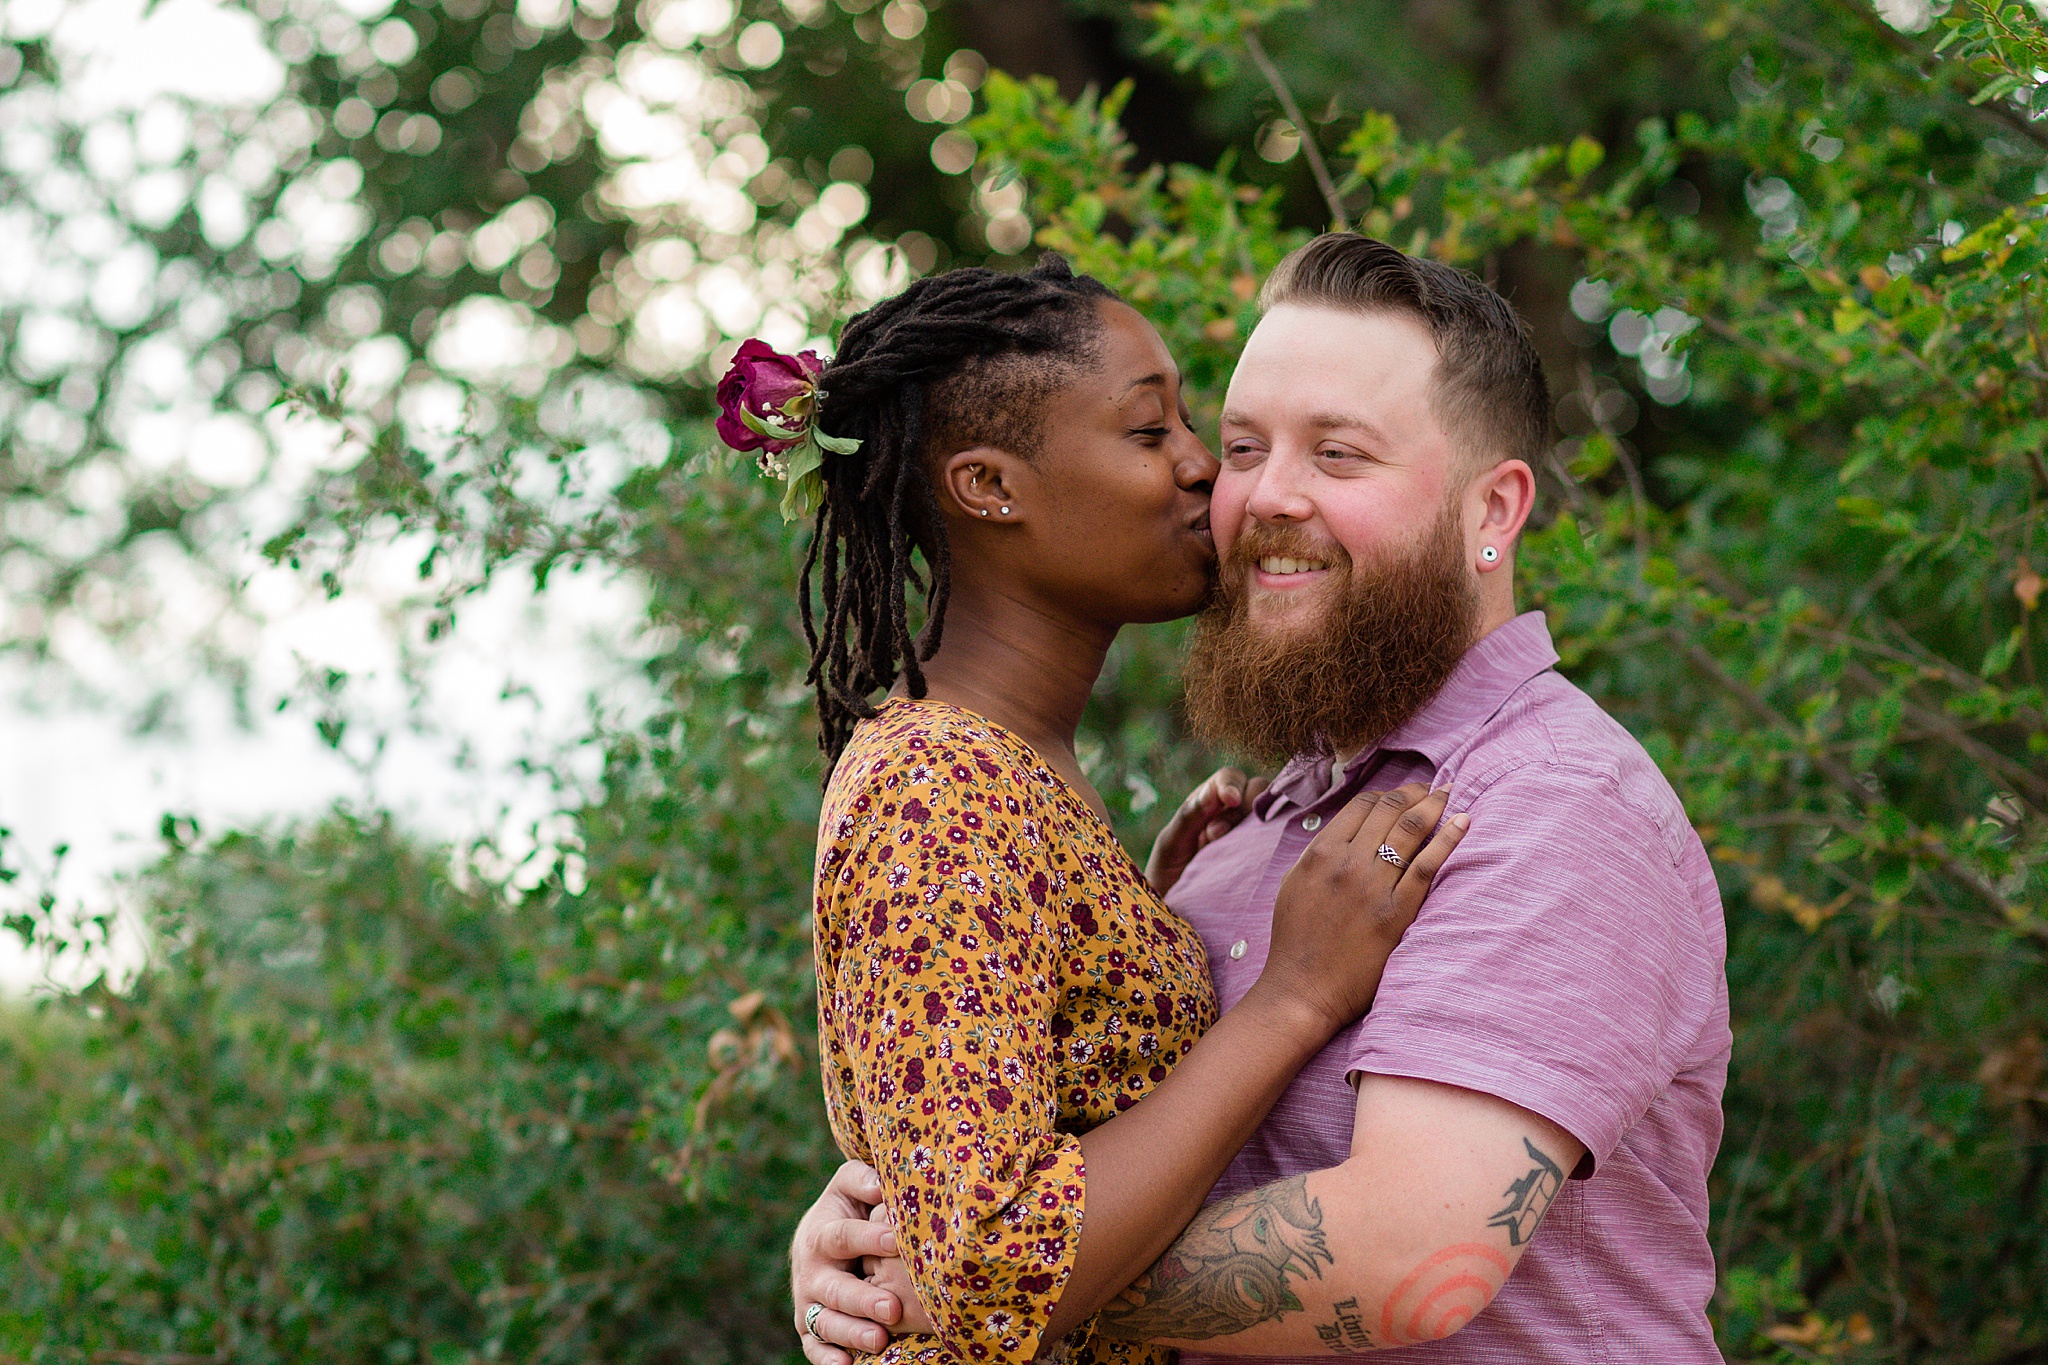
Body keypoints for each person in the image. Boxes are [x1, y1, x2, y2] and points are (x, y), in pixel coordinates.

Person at [793, 234, 1732, 1362]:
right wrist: (884, 1238)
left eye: (1337, 456)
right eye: (1242, 445)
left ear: (1494, 511)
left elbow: (1407, 1256)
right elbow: (1038, 1151)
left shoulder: (1550, 806)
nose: (1257, 492)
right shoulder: (1244, 842)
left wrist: (958, 1288)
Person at [740, 254, 1482, 1365]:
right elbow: (989, 1270)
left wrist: (1132, 922)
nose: (1200, 469)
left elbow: (1013, 1121)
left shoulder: (1015, 772)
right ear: (989, 487)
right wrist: (1289, 997)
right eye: (1148, 433)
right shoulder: (936, 789)